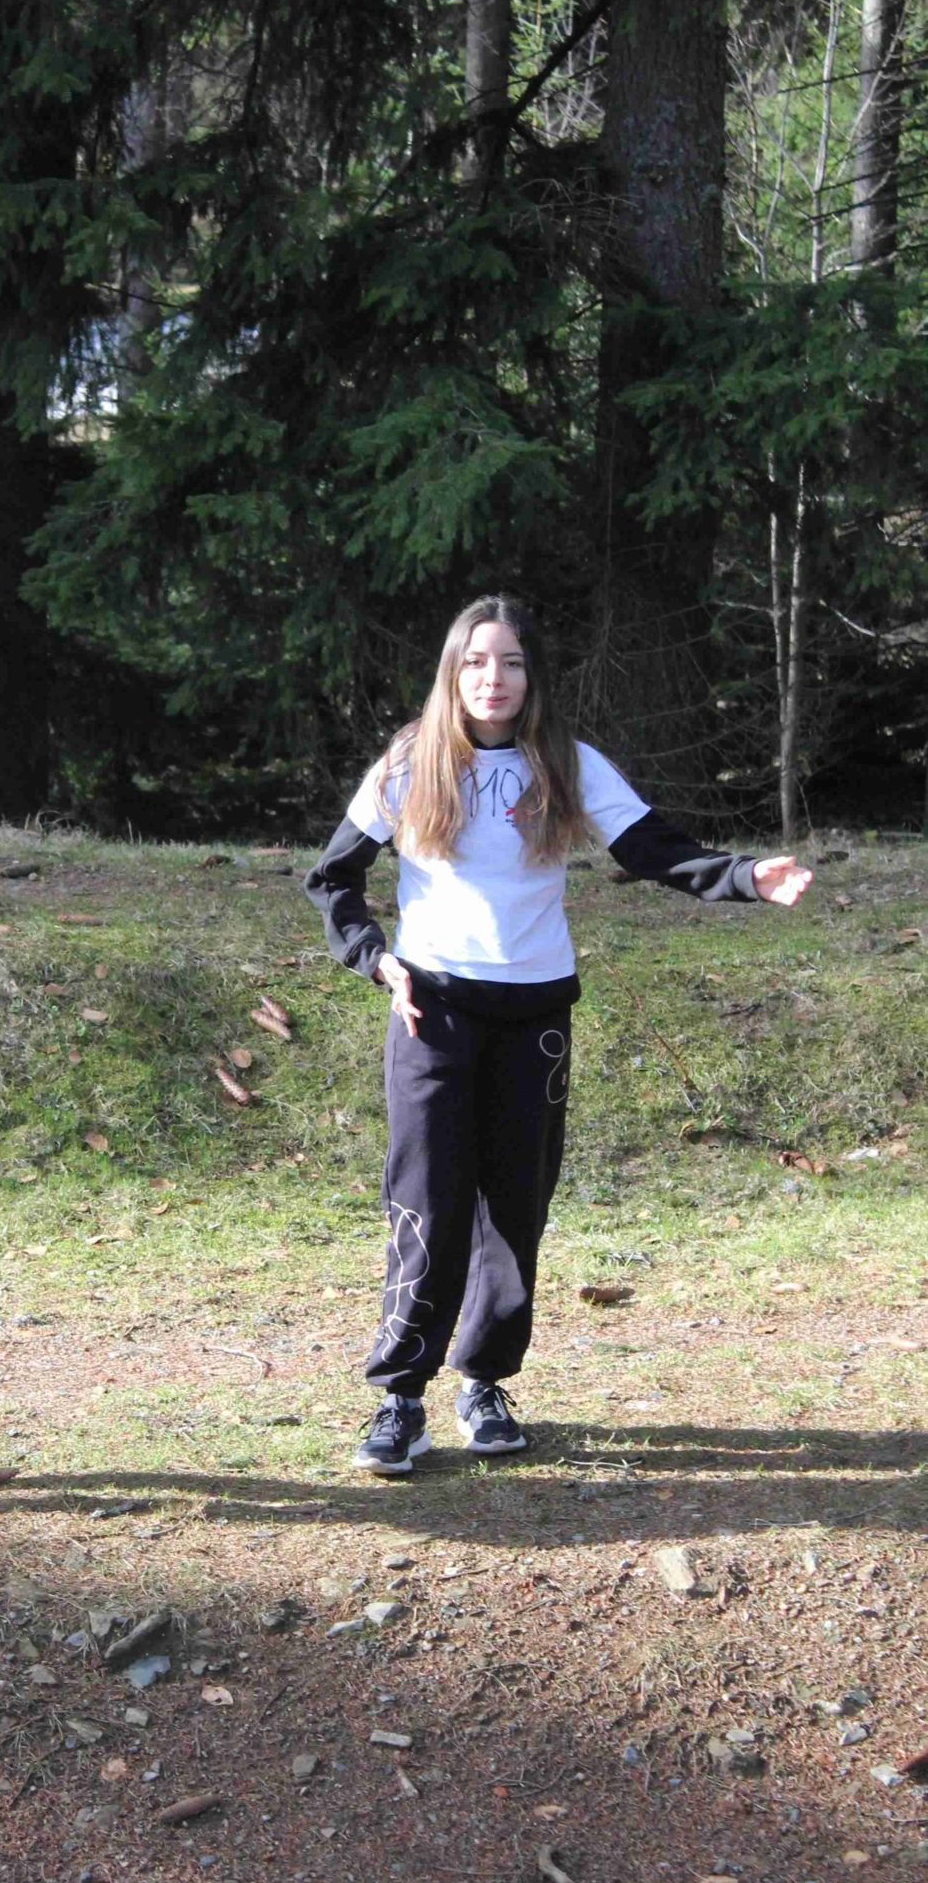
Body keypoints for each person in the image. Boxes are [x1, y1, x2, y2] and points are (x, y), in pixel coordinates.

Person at [304, 594, 812, 1477]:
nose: (492, 679)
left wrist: (743, 876)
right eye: (475, 662)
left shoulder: (566, 763)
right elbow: (331, 878)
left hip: (533, 1016)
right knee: (428, 1200)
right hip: (432, 1010)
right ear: (451, 672)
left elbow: (650, 849)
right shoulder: (410, 761)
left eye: (510, 662)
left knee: (515, 1206)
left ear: (532, 675)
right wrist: (376, 962)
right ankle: (400, 1397)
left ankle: (484, 1384)